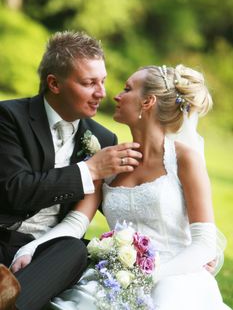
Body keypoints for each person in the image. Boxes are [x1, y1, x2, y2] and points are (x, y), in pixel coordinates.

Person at [11, 64, 230, 309]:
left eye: (127, 89)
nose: (115, 95)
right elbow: (75, 223)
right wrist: (30, 249)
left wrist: (147, 277)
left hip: (174, 277)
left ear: (147, 102)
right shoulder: (110, 160)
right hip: (116, 276)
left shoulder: (184, 159)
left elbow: (204, 242)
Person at [0, 31, 143, 310]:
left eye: (102, 81)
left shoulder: (103, 139)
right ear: (54, 83)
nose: (101, 93)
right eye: (89, 83)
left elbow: (124, 205)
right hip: (3, 235)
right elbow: (14, 190)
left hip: (48, 250)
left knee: (76, 249)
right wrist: (89, 169)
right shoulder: (8, 118)